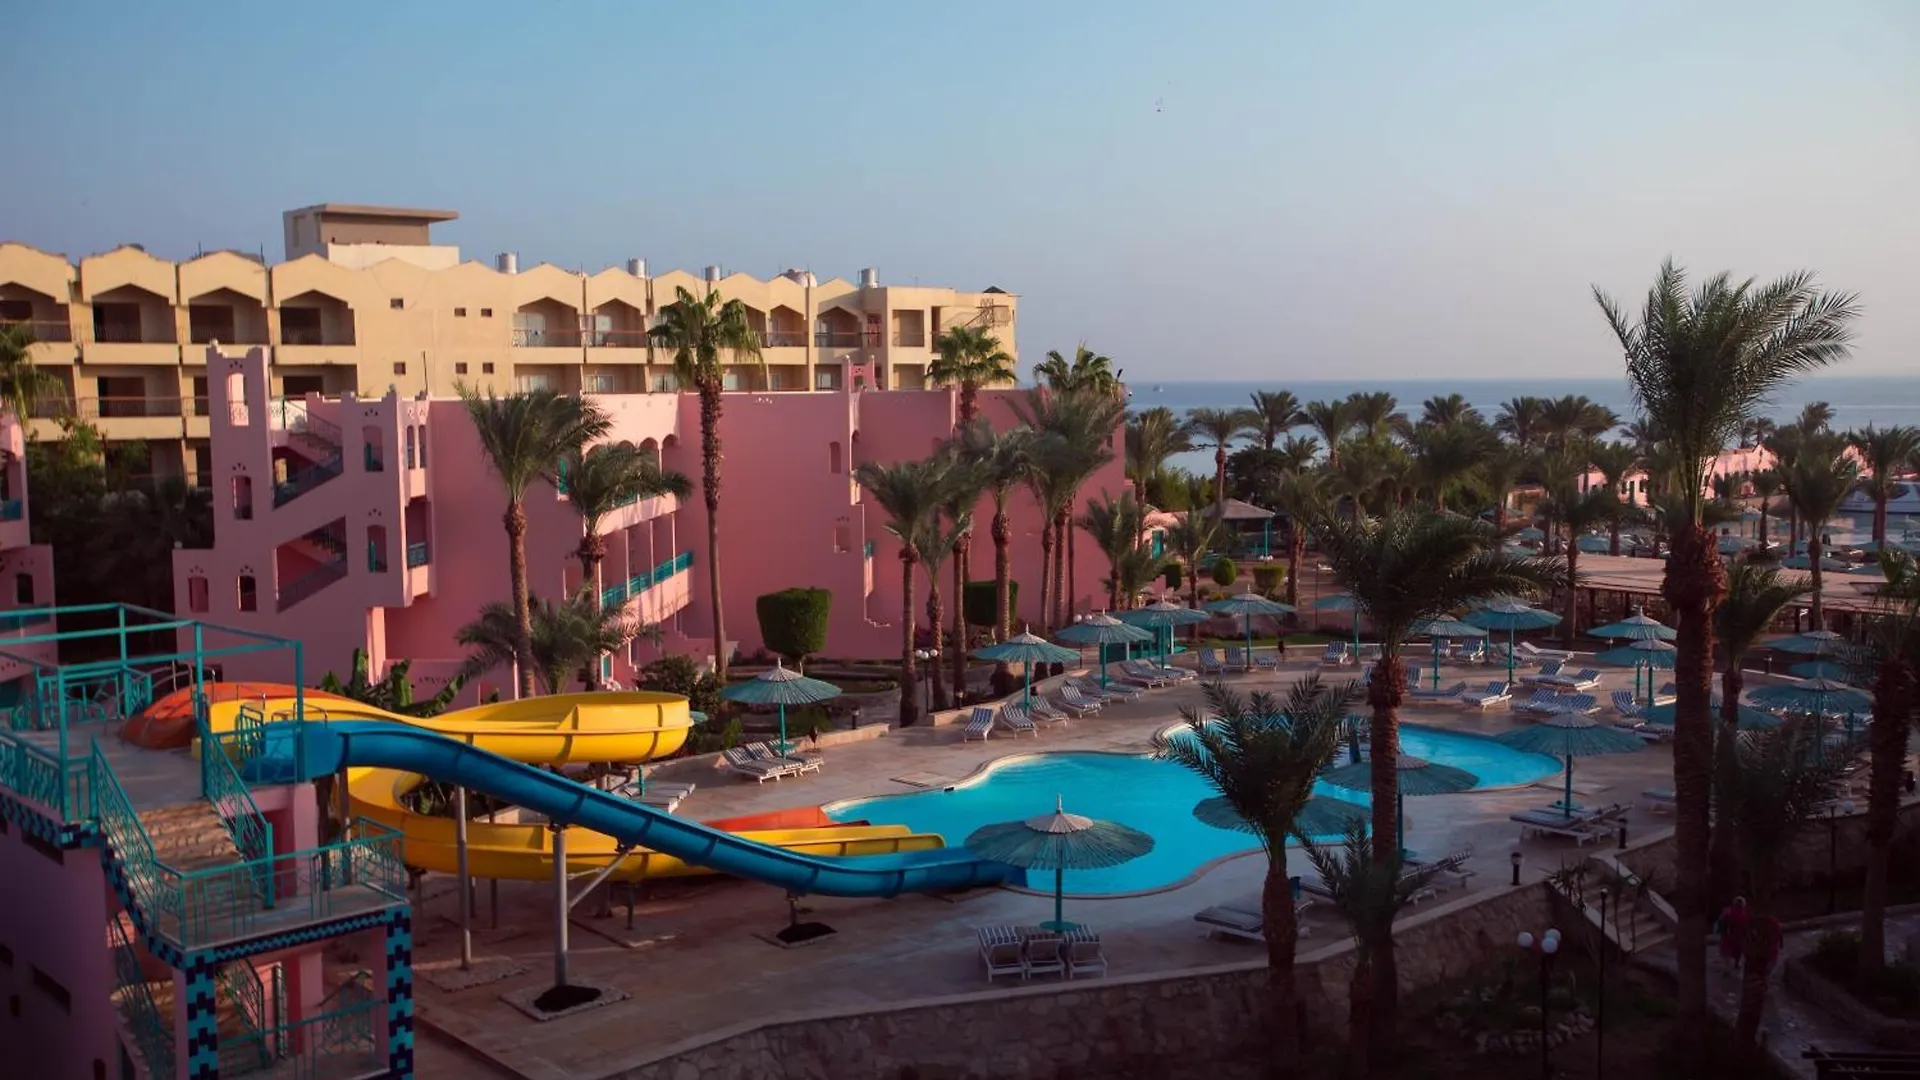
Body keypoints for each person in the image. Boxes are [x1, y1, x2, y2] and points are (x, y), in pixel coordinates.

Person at [1716, 896, 1751, 971]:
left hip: (1729, 935)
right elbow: (1746, 926)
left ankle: (1727, 967)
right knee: (1737, 951)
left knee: (1728, 952)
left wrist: (1721, 931)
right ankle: (1735, 965)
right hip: (1737, 935)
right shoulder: (1743, 914)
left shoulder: (1728, 911)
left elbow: (1721, 922)